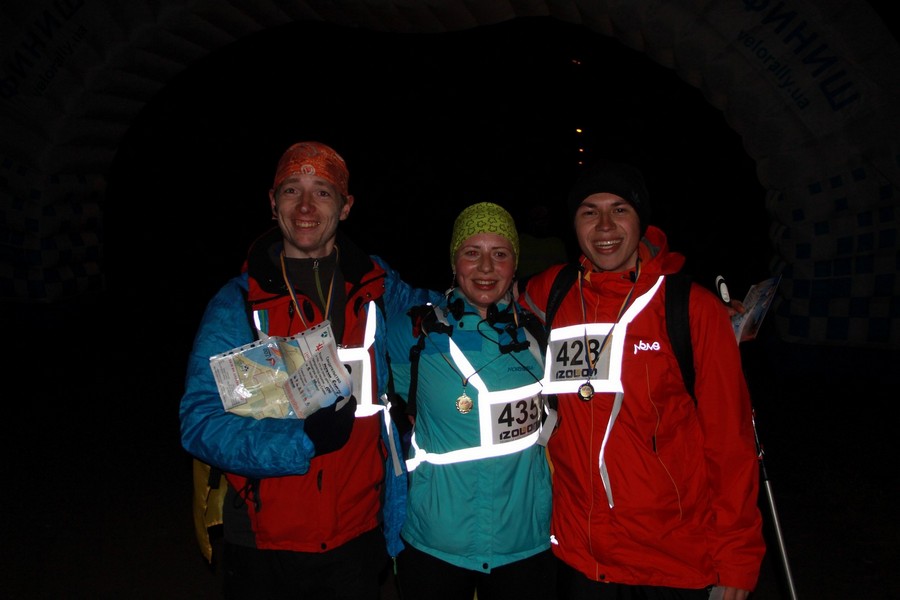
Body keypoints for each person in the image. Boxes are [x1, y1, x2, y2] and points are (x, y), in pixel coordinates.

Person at [179, 140, 440, 599]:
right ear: (272, 202)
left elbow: (446, 308)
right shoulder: (238, 303)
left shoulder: (376, 287)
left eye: (322, 192)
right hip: (265, 541)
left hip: (358, 532)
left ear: (345, 206)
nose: (305, 206)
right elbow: (199, 422)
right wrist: (300, 441)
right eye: (291, 190)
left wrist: (514, 296)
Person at [518, 159, 765, 600]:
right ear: (573, 224)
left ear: (641, 220)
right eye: (589, 212)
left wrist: (737, 559)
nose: (604, 226)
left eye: (620, 209)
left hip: (671, 560)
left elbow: (731, 445)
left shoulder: (692, 309)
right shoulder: (553, 293)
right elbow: (487, 295)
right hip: (581, 557)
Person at [386, 202, 556, 600]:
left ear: (515, 264)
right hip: (436, 543)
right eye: (472, 252)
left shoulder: (540, 333)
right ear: (454, 261)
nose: (485, 267)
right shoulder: (413, 334)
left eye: (500, 254)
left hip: (524, 543)